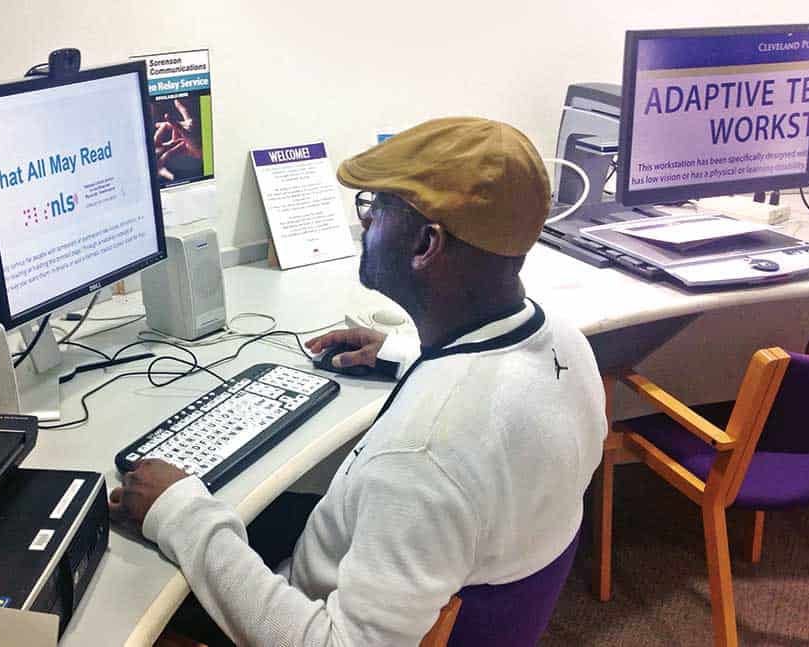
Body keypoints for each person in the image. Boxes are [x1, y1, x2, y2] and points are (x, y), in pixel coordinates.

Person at [109, 117, 608, 646]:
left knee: (124, 586)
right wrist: (403, 356)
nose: (366, 224)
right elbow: (488, 409)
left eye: (376, 207)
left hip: (312, 609)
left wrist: (180, 512)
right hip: (435, 572)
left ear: (425, 244)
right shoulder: (566, 344)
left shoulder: (423, 455)